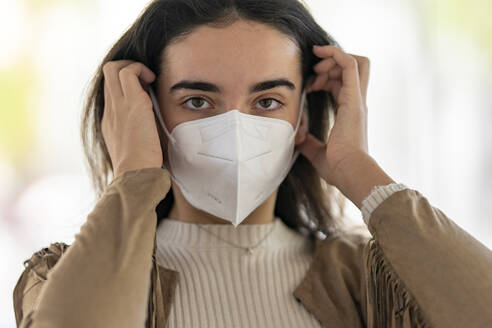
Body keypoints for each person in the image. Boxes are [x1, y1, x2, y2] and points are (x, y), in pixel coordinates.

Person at [13, 0, 492, 327]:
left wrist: (359, 172)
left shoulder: (368, 279)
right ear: (146, 112)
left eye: (267, 101)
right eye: (198, 101)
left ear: (303, 112)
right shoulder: (65, 277)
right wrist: (135, 178)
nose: (235, 128)